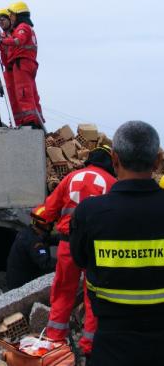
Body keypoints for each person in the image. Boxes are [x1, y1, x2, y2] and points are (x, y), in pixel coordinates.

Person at [70, 121, 164, 365]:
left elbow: (79, 259)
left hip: (111, 346)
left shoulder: (89, 213)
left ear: (115, 160)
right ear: (157, 161)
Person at [44, 145, 116, 358]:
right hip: (98, 248)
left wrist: (44, 226)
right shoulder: (112, 183)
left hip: (68, 245)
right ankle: (90, 346)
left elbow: (49, 210)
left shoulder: (71, 177)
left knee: (63, 289)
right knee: (94, 295)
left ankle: (55, 339)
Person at [0, 1, 44, 128]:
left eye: (10, 16)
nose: (8, 19)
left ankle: (30, 120)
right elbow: (3, 47)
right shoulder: (9, 34)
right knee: (18, 95)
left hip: (22, 63)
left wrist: (0, 40)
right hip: (17, 66)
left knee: (23, 92)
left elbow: (17, 41)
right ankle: (22, 120)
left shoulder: (22, 28)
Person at [6, 204, 58, 289]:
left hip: (17, 280)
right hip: (22, 287)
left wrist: (66, 238)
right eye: (50, 225)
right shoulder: (34, 242)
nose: (52, 228)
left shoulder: (30, 232)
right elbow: (46, 264)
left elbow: (49, 239)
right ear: (43, 225)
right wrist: (66, 263)